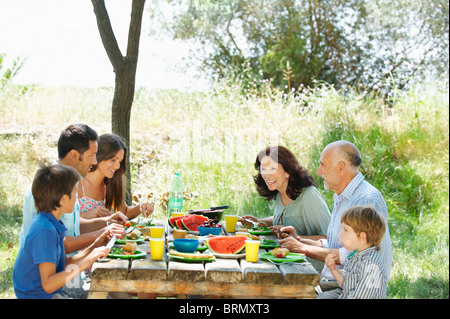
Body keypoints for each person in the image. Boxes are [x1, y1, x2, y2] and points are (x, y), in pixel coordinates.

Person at [278, 140, 392, 298]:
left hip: (356, 288)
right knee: (282, 291)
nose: (318, 172)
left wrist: (302, 248)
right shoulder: (343, 196)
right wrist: (299, 240)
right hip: (336, 281)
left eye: (323, 165)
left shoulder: (366, 200)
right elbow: (333, 244)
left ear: (341, 167)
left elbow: (350, 254)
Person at [19, 124, 127, 252]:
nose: (94, 162)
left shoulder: (70, 182)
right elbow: (56, 243)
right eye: (91, 156)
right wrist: (101, 234)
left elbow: (72, 227)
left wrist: (106, 221)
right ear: (74, 155)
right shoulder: (48, 188)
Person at [13, 164, 111, 299]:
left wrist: (95, 246)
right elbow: (49, 284)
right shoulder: (44, 230)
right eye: (75, 193)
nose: (77, 198)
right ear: (63, 199)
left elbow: (65, 264)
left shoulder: (51, 222)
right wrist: (88, 261)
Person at [240, 146, 330, 239]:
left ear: (288, 171)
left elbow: (328, 239)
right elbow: (285, 218)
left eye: (272, 168)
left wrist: (295, 237)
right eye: (263, 169)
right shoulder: (278, 193)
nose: (266, 175)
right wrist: (259, 221)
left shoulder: (309, 196)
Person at [319, 205, 388, 299]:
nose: (340, 234)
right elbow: (347, 283)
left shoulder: (371, 266)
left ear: (362, 236)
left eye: (345, 230)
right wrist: (333, 269)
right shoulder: (356, 255)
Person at [78, 133, 154, 220]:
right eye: (113, 160)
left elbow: (124, 212)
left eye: (120, 161)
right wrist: (87, 215)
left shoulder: (108, 184)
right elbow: (61, 219)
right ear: (99, 156)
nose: (117, 166)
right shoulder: (78, 182)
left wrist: (141, 207)